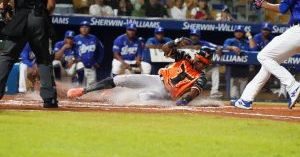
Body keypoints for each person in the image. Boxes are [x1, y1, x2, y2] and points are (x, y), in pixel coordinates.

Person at [232, 0, 300, 110]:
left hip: (298, 31)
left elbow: (282, 8)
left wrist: (264, 4)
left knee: (263, 56)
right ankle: (246, 99)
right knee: (269, 64)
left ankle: (292, 85)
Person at [67, 40, 214, 107]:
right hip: (157, 79)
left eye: (202, 62)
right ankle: (83, 91)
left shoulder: (201, 77)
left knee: (142, 99)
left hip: (166, 94)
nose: (198, 62)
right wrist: (176, 41)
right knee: (120, 79)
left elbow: (194, 92)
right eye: (198, 59)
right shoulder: (186, 58)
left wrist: (184, 101)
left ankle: (110, 97)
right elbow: (165, 49)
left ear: (206, 64)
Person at [0, 0, 58, 108]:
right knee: (44, 59)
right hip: (39, 18)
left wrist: (3, 6)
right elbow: (51, 5)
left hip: (20, 17)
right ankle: (49, 99)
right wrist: (42, 16)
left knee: (7, 56)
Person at [188, 29, 223, 98]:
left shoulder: (204, 43)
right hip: (190, 71)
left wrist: (219, 48)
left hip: (202, 70)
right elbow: (177, 47)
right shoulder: (186, 43)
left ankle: (214, 92)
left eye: (196, 36)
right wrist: (191, 47)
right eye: (192, 35)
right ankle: (191, 93)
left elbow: (217, 47)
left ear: (199, 37)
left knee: (215, 69)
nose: (194, 37)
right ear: (190, 36)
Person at [223, 25, 256, 99]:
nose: (238, 33)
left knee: (243, 95)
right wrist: (232, 47)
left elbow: (253, 49)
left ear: (243, 33)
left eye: (240, 32)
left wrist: (250, 36)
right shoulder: (230, 41)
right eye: (237, 31)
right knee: (233, 95)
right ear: (234, 33)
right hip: (232, 72)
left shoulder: (246, 42)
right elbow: (224, 46)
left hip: (244, 71)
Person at [74, 21, 105, 86]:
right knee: (80, 86)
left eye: (86, 27)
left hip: (91, 67)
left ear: (89, 29)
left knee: (92, 88)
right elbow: (70, 51)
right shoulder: (75, 39)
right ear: (80, 29)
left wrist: (98, 62)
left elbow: (101, 50)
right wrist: (74, 59)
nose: (84, 29)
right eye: (82, 27)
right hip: (80, 67)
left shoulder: (94, 38)